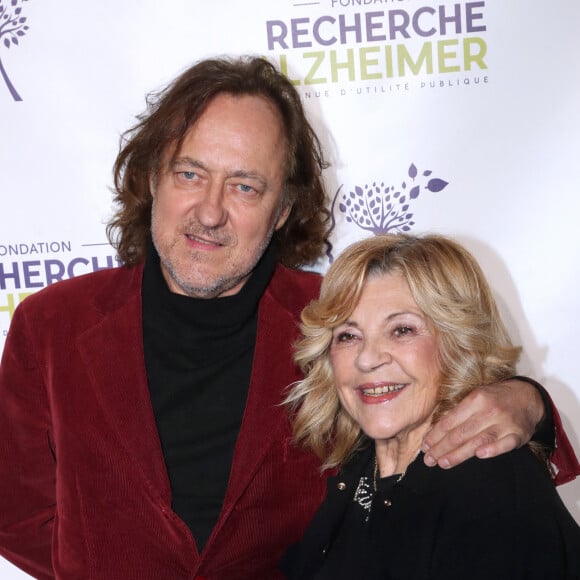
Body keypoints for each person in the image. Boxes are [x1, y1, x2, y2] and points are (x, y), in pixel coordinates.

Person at [0, 56, 577, 580]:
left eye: (245, 187)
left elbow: (435, 406)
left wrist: (528, 403)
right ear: (153, 178)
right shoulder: (51, 325)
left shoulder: (337, 318)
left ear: (281, 211)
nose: (209, 211)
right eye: (189, 174)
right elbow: (17, 514)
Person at [282, 234, 580, 580]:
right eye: (348, 335)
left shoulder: (489, 489)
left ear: (458, 343)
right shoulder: (359, 468)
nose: (367, 359)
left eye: (402, 330)